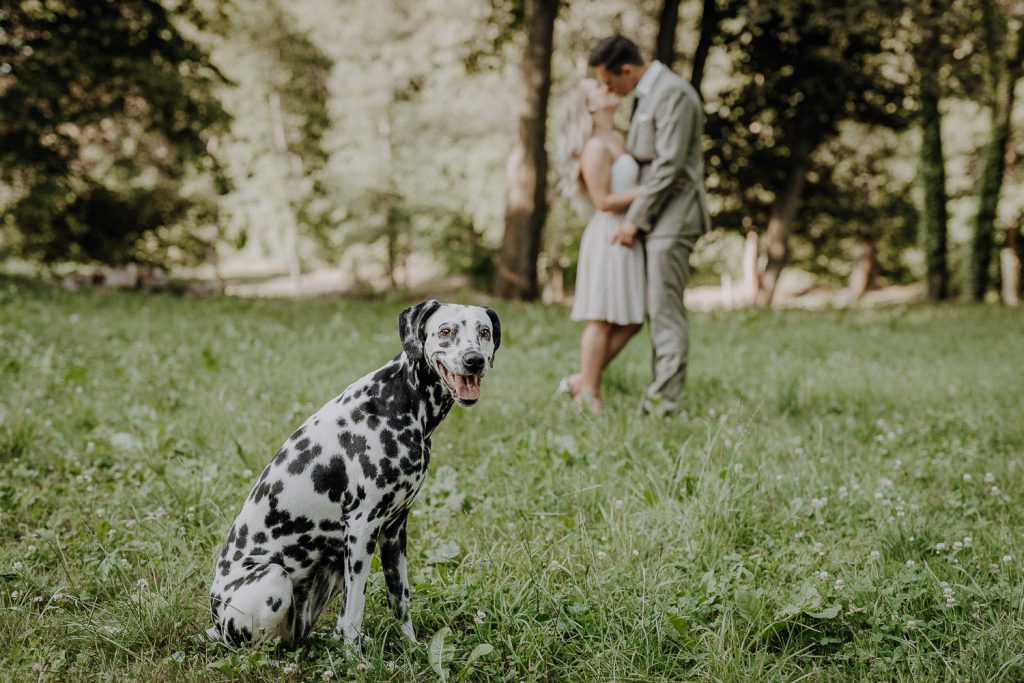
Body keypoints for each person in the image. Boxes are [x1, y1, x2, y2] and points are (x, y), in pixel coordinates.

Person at [588, 35, 711, 416]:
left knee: (664, 311)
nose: (609, 90)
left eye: (609, 82)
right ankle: (593, 382)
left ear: (626, 70)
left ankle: (662, 404)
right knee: (651, 310)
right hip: (655, 218)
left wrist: (635, 220)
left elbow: (669, 166)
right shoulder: (645, 93)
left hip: (674, 219)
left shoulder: (673, 93)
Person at [552, 78, 647, 414]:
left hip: (627, 233)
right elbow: (603, 200)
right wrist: (653, 190)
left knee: (633, 319)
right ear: (589, 106)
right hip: (608, 234)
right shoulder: (594, 147)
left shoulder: (618, 137)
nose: (607, 86)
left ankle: (581, 379)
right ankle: (590, 394)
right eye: (597, 87)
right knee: (602, 319)